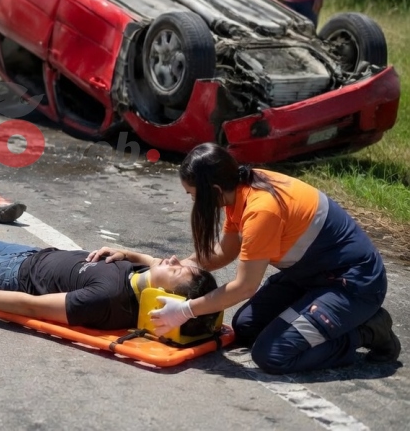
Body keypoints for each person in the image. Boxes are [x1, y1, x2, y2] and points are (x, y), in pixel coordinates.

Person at [145, 142, 401, 374]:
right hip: (311, 275)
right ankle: (315, 314)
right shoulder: (239, 188)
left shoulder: (261, 210)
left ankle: (367, 330)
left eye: (192, 194)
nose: (192, 200)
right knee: (246, 328)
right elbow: (225, 251)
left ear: (213, 190)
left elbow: (244, 286)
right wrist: (178, 265)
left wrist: (186, 310)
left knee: (273, 354)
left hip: (354, 284)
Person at [0, 238, 220, 334]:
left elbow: (35, 307)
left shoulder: (106, 299)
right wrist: (127, 252)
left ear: (165, 299)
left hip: (15, 277)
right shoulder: (143, 275)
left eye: (177, 270)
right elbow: (158, 264)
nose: (173, 260)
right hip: (39, 255)